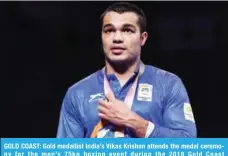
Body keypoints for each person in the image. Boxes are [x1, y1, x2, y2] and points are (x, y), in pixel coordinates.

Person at [56, 2, 197, 138]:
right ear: (102, 36)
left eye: (127, 30)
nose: (117, 38)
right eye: (109, 30)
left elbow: (186, 143)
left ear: (142, 38)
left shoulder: (168, 84)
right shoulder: (77, 93)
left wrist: (133, 122)